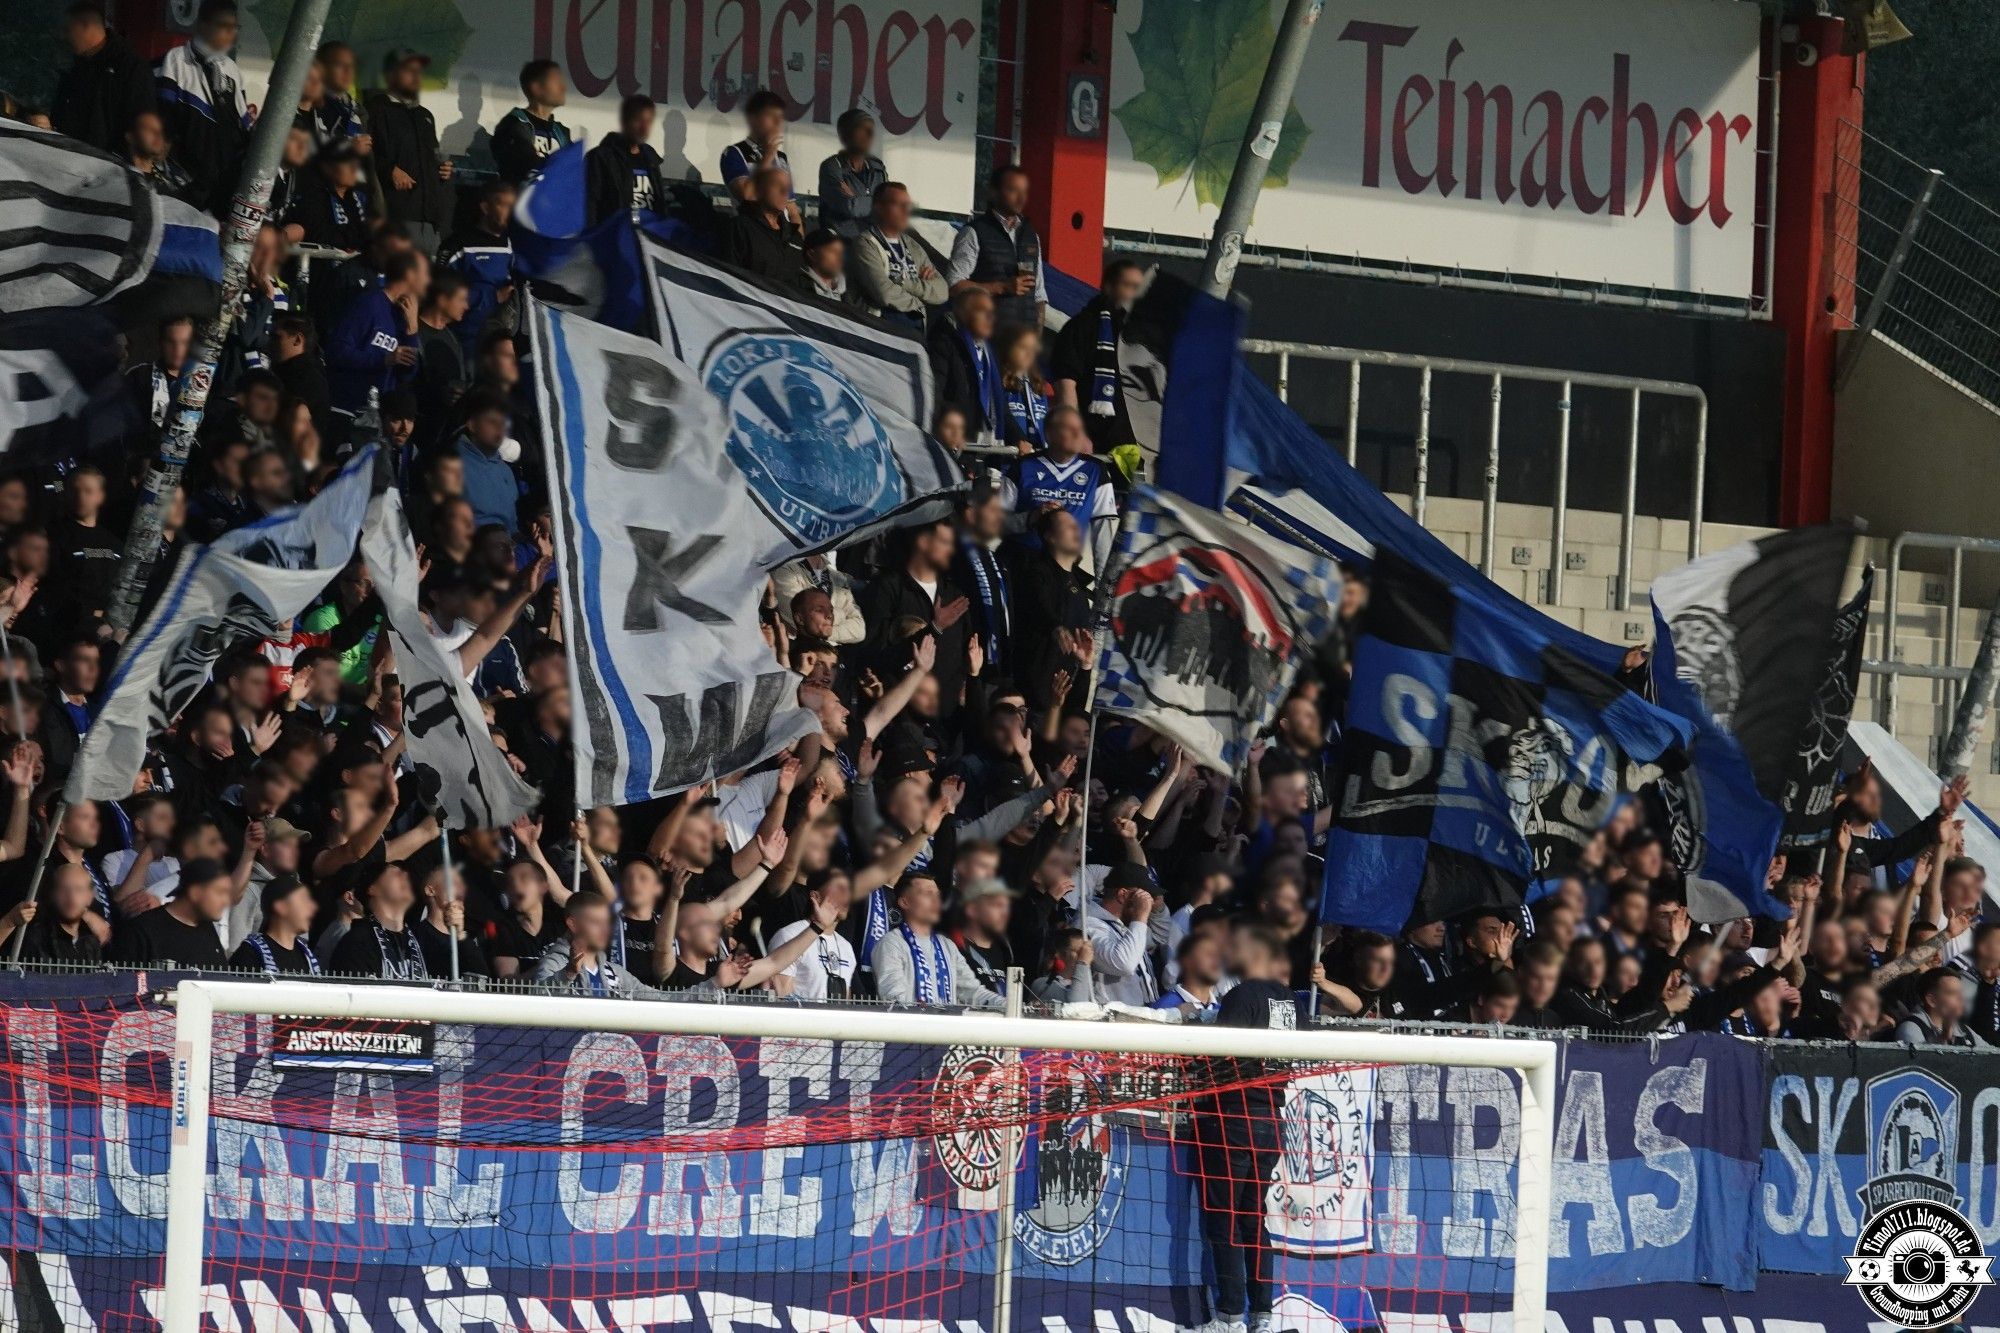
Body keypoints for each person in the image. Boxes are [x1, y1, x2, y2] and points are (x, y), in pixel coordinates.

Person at [1190, 925, 1297, 1333]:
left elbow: (1220, 1057)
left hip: (1233, 1117)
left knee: (1224, 1217)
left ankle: (1230, 1316)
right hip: (1272, 1120)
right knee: (1254, 1218)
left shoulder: (1243, 995)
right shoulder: (1292, 1001)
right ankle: (1262, 1315)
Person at [153, 0, 251, 212]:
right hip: (185, 179)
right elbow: (164, 115)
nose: (231, 33)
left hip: (224, 183)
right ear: (203, 25)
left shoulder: (231, 69)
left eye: (234, 28)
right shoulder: (177, 60)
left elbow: (242, 124)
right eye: (224, 26)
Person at [1005, 406, 1119, 569]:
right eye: (1069, 428)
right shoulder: (1023, 466)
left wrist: (1104, 586)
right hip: (1022, 564)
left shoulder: (1095, 470)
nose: (1076, 434)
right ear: (1050, 434)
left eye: (1079, 429)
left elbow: (1103, 534)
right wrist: (1031, 517)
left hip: (1066, 569)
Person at [1052, 257, 1147, 451]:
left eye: (1139, 287)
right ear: (1109, 287)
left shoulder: (1140, 335)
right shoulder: (1081, 327)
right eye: (1128, 286)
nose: (1134, 294)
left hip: (1134, 445)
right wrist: (1075, 434)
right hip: (1093, 444)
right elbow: (1066, 384)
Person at [324, 249, 425, 431]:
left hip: (379, 417)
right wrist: (383, 359)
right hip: (349, 411)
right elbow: (337, 351)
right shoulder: (369, 303)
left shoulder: (406, 313)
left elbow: (407, 374)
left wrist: (412, 329)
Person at [366, 47, 453, 256]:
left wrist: (442, 169)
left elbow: (430, 155)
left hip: (430, 217)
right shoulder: (376, 110)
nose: (416, 76)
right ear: (390, 76)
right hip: (398, 213)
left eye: (418, 71)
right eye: (408, 70)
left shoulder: (425, 115)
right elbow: (366, 155)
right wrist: (389, 171)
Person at [873, 874, 1004, 1009]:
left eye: (937, 895)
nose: (936, 901)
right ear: (905, 902)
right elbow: (894, 998)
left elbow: (973, 992)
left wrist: (1010, 1005)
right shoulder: (891, 943)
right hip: (911, 1028)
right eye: (928, 894)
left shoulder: (947, 945)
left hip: (944, 1029)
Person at [947, 164, 1045, 332]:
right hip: (988, 336)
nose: (1021, 198)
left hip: (1022, 342)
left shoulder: (1031, 236)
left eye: (1024, 192)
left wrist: (1036, 335)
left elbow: (1039, 294)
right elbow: (954, 285)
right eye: (1013, 190)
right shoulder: (973, 232)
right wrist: (1001, 287)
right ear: (994, 192)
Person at [52, 0, 156, 155]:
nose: (64, 36)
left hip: (110, 168)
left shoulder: (131, 68)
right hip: (71, 161)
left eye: (68, 30)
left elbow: (142, 124)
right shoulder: (76, 68)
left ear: (85, 26)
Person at [850, 182, 945, 331]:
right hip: (882, 329)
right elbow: (884, 293)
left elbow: (942, 291)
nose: (905, 211)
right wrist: (920, 300)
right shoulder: (865, 243)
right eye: (897, 204)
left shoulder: (913, 245)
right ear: (879, 208)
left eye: (907, 205)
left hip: (916, 329)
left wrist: (904, 284)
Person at [440, 179, 516, 361]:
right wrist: (493, 296)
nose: (509, 212)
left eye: (512, 206)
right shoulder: (458, 245)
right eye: (503, 205)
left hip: (502, 345)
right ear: (485, 207)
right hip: (465, 342)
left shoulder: (515, 245)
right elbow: (440, 293)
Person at [112, 857, 233, 969]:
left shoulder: (207, 929)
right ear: (195, 893)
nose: (226, 901)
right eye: (220, 892)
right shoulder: (140, 931)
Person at [927, 288, 1004, 445]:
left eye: (992, 312)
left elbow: (998, 400)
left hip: (979, 443)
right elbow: (934, 393)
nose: (990, 318)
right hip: (952, 440)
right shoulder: (944, 343)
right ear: (963, 313)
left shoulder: (989, 352)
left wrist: (1019, 437)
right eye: (982, 311)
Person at [586, 95, 667, 225]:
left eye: (648, 122)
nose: (644, 128)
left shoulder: (651, 159)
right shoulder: (602, 157)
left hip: (649, 236)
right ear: (625, 121)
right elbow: (591, 203)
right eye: (639, 120)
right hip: (617, 236)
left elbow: (660, 205)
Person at [721, 165, 806, 286]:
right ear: (758, 190)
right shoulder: (739, 228)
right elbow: (727, 278)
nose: (784, 191)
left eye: (787, 187)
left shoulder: (795, 237)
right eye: (776, 184)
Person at [492, 59, 570, 185]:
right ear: (536, 87)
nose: (563, 88)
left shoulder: (561, 132)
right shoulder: (514, 125)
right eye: (556, 82)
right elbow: (524, 166)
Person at [228, 872, 321, 974]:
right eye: (303, 901)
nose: (312, 907)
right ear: (281, 907)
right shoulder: (250, 954)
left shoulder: (306, 956)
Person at [720, 90, 793, 212]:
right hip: (751, 227)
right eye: (771, 116)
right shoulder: (734, 153)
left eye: (780, 118)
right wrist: (768, 157)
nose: (777, 123)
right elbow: (747, 195)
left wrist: (797, 230)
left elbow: (792, 209)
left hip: (781, 228)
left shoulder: (781, 158)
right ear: (754, 118)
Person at [817, 108, 884, 239]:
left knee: (911, 236)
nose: (870, 134)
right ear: (846, 134)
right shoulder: (832, 166)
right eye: (863, 129)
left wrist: (856, 200)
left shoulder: (877, 167)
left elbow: (887, 207)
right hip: (841, 242)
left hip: (873, 240)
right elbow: (848, 207)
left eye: (871, 130)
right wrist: (879, 203)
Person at [996, 324, 1051, 452]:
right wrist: (1018, 440)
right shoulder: (999, 382)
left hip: (1038, 460)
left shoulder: (1038, 385)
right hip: (1008, 458)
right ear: (1009, 348)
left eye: (1032, 349)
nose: (1029, 354)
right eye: (1022, 347)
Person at [799, 228, 859, 308]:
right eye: (832, 251)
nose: (840, 258)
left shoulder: (848, 294)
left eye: (841, 252)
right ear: (812, 255)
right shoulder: (796, 288)